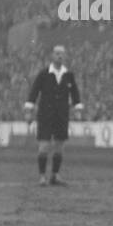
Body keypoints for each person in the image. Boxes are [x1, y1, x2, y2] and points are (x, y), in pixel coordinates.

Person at [24, 44, 83, 185]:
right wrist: (28, 111)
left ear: (65, 56)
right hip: (45, 115)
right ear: (52, 55)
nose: (60, 56)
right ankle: (42, 176)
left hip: (61, 115)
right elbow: (34, 91)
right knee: (44, 146)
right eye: (57, 53)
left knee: (59, 147)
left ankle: (55, 175)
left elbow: (75, 94)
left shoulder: (69, 75)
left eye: (62, 53)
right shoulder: (44, 73)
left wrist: (78, 109)